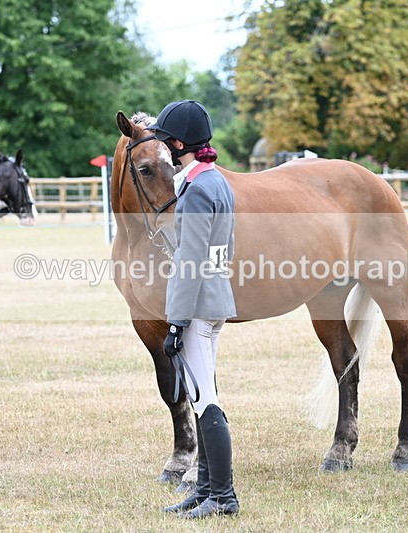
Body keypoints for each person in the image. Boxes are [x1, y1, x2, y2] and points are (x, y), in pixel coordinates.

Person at [149, 100, 239, 519]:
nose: (163, 149)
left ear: (180, 143)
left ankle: (223, 496)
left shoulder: (196, 189)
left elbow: (191, 263)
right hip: (215, 296)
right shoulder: (216, 181)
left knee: (205, 400)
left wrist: (175, 322)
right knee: (204, 395)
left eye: (166, 143)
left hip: (199, 307)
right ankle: (204, 491)